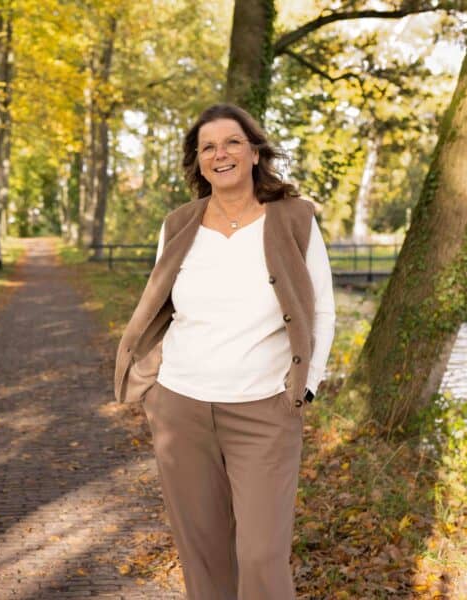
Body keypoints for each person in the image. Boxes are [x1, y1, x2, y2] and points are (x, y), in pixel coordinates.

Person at [114, 103, 336, 599]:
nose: (221, 153)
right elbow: (160, 308)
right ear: (198, 162)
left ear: (254, 152)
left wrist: (308, 384)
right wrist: (153, 392)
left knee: (261, 557)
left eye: (232, 142)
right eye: (208, 146)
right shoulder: (178, 225)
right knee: (204, 556)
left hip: (265, 408)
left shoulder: (294, 219)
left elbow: (321, 310)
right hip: (180, 407)